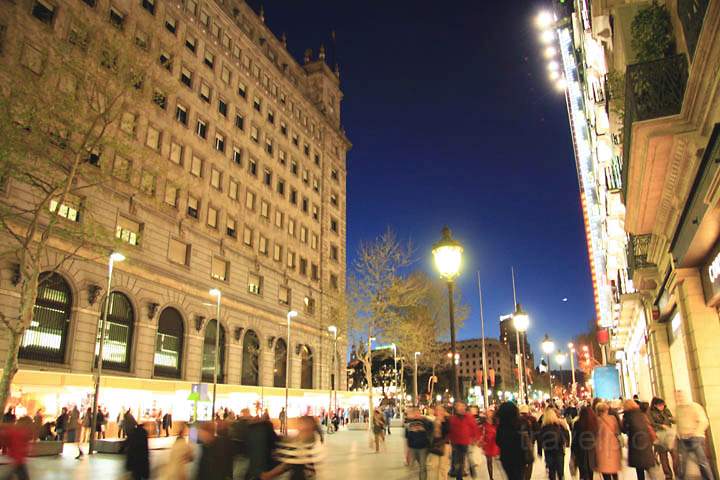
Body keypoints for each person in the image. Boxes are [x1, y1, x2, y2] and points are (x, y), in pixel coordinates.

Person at [261, 415, 324, 480]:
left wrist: (269, 475)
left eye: (302, 425)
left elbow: (287, 464)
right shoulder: (306, 442)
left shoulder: (305, 445)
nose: (300, 427)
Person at [675, 390, 714, 480]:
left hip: (696, 438)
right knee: (682, 462)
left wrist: (696, 433)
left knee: (702, 462)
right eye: (677, 396)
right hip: (683, 439)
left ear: (685, 396)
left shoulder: (695, 406)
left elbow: (704, 421)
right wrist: (678, 434)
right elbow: (679, 422)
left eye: (680, 396)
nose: (679, 398)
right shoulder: (678, 408)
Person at [495, 402, 533, 480]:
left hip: (506, 458)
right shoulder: (519, 424)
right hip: (519, 458)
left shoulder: (501, 427)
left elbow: (498, 441)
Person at [623, 399, 657, 480]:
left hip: (635, 444)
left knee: (639, 467)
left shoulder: (627, 415)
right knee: (648, 465)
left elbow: (623, 429)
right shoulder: (641, 413)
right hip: (645, 442)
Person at [447, 401, 479, 480]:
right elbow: (450, 430)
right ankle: (459, 476)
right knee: (459, 461)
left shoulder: (469, 417)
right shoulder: (453, 418)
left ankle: (470, 469)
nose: (460, 408)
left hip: (466, 442)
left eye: (462, 406)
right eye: (458, 406)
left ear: (465, 407)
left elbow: (474, 428)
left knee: (464, 459)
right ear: (455, 408)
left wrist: (474, 438)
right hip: (456, 443)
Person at [539, 407, 570, 480]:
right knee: (560, 471)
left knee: (551, 471)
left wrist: (539, 451)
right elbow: (565, 434)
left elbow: (540, 439)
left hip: (548, 451)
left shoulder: (543, 427)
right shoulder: (559, 425)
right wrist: (567, 443)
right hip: (559, 450)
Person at [650, 397, 677, 480]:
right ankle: (668, 475)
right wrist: (661, 426)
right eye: (660, 405)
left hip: (669, 435)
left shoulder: (666, 410)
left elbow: (671, 419)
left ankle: (678, 472)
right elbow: (651, 423)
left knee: (675, 455)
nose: (662, 406)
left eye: (663, 405)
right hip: (659, 436)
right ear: (655, 405)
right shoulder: (651, 413)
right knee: (663, 457)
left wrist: (673, 419)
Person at [405, 407, 434, 480]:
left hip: (423, 447)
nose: (415, 415)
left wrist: (424, 419)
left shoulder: (425, 421)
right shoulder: (409, 423)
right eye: (414, 413)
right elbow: (407, 437)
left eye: (417, 413)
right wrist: (407, 450)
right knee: (411, 466)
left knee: (422, 466)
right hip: (412, 448)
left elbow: (431, 428)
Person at [595, 402, 622, 480]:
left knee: (605, 469)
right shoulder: (612, 418)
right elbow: (617, 431)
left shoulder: (597, 420)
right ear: (606, 410)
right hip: (613, 446)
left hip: (601, 447)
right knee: (613, 469)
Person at [0, 416, 32, 480]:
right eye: (28, 423)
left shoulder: (21, 430)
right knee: (23, 476)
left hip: (18, 457)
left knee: (12, 474)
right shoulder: (15, 430)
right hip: (18, 457)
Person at [571, 406, 598, 480]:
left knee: (583, 473)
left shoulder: (577, 424)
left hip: (580, 452)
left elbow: (575, 439)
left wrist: (573, 451)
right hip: (592, 451)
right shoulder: (595, 424)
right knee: (590, 472)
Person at [429, 405, 451, 480]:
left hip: (445, 445)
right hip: (435, 445)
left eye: (441, 410)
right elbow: (431, 434)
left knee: (443, 466)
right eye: (437, 410)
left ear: (444, 411)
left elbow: (449, 433)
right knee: (434, 466)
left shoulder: (447, 421)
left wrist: (442, 422)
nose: (439, 412)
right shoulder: (433, 421)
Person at [480, 409, 500, 480]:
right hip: (488, 444)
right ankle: (491, 477)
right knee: (489, 461)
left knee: (499, 459)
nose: (489, 414)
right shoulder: (484, 424)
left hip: (495, 443)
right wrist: (482, 441)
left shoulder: (496, 422)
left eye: (490, 413)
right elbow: (482, 433)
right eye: (487, 413)